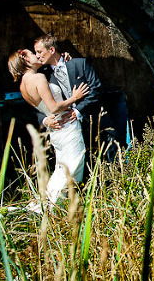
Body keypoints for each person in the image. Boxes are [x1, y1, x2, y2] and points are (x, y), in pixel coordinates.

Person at [8, 49, 89, 212]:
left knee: (62, 168)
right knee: (73, 165)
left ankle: (47, 204)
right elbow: (53, 108)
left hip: (55, 131)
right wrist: (74, 98)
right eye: (33, 54)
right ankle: (51, 207)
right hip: (66, 126)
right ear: (25, 60)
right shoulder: (38, 78)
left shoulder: (23, 84)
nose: (37, 56)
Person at [33, 33, 120, 163]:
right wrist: (45, 121)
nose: (37, 56)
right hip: (68, 132)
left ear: (51, 50)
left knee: (114, 161)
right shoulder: (43, 77)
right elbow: (37, 105)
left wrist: (78, 111)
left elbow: (96, 89)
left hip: (97, 121)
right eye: (35, 53)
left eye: (39, 52)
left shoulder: (80, 64)